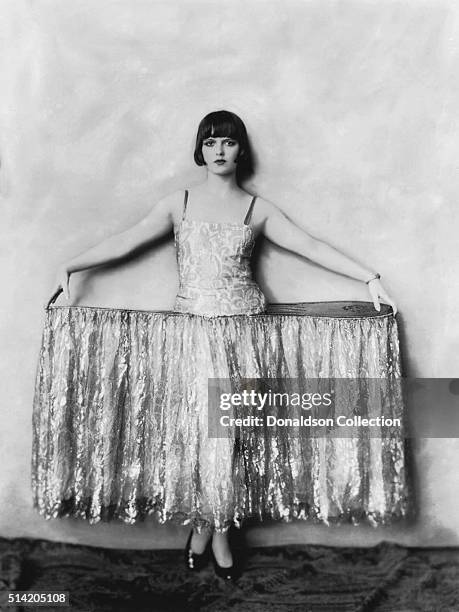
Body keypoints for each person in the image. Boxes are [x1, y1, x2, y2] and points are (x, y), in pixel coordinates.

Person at [51, 110, 397, 580]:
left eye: (228, 143)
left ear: (240, 151)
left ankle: (215, 530)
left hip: (243, 336)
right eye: (211, 141)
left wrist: (370, 278)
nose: (219, 150)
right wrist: (70, 266)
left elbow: (311, 245)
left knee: (230, 439)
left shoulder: (259, 209)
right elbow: (128, 240)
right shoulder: (181, 202)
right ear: (201, 149)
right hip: (191, 336)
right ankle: (209, 528)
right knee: (196, 437)